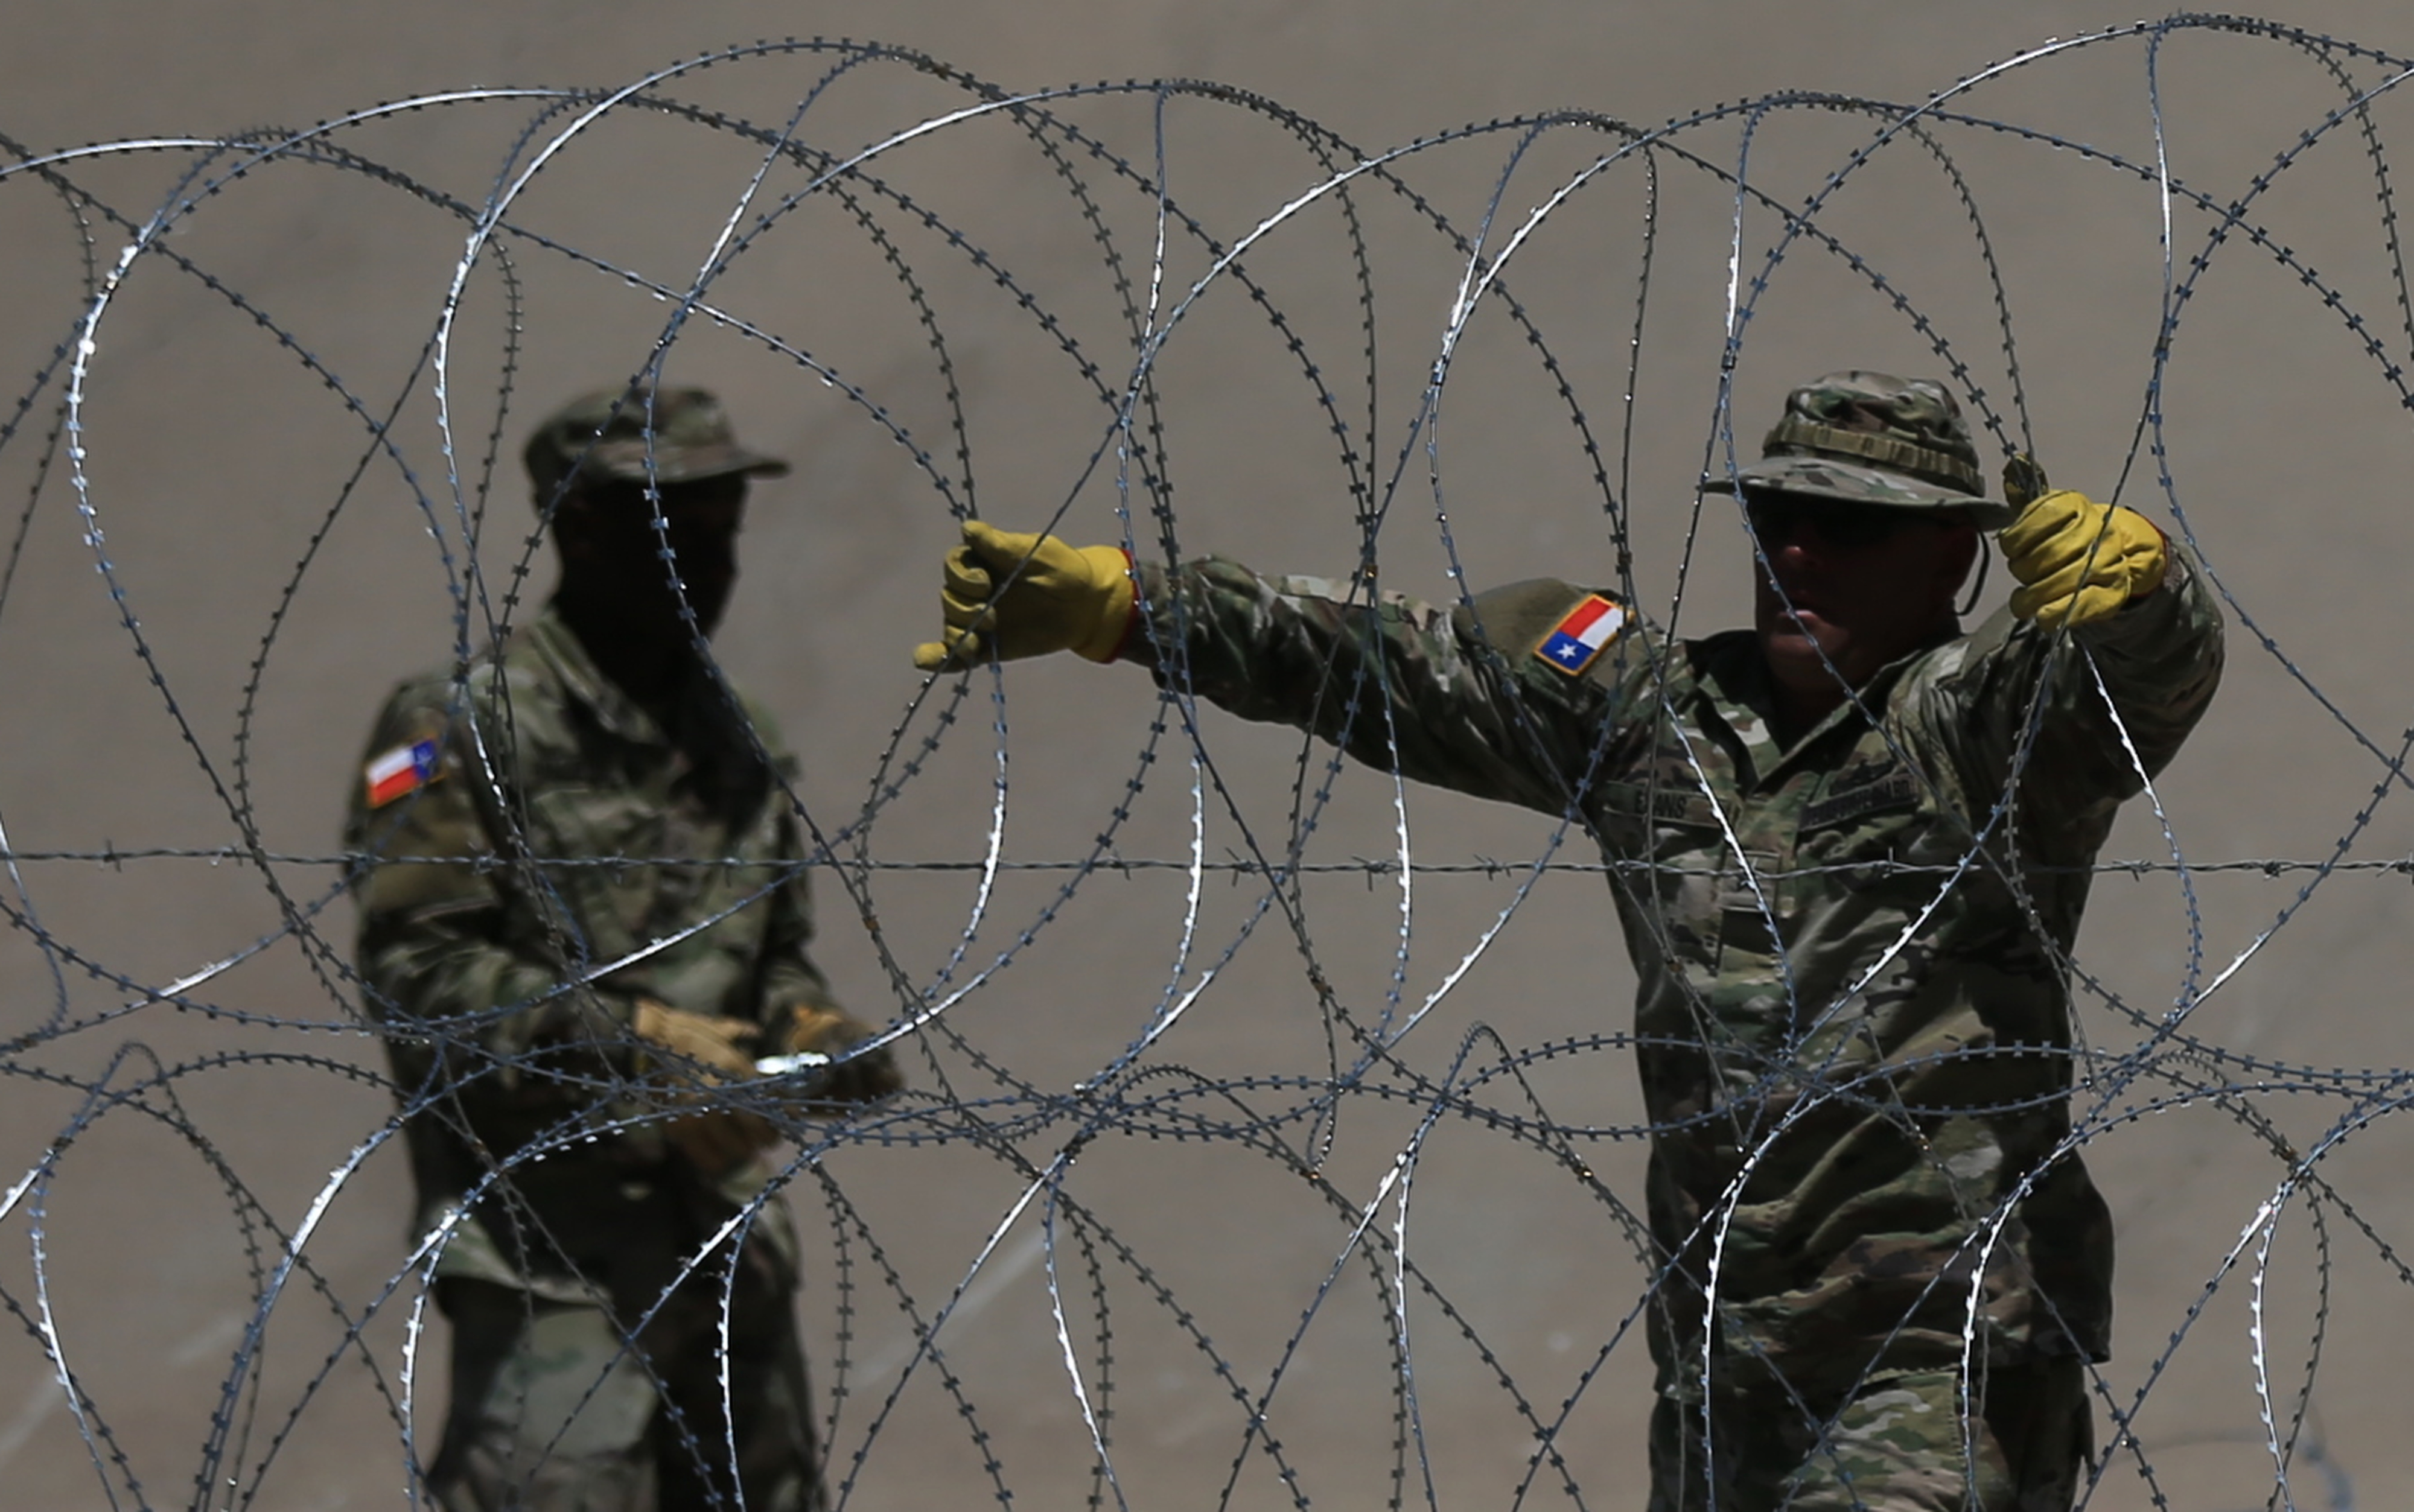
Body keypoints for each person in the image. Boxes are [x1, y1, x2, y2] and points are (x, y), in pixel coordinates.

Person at [909, 371, 2223, 1511]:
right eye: (1778, 518)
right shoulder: (1658, 718)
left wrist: (2143, 592)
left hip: (1939, 1348)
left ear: (1950, 559)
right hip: (1726, 1346)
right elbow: (1388, 663)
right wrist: (1129, 608)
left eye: (1849, 526)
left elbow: (2133, 682)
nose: (1799, 554)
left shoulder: (1979, 729)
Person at [346, 384, 900, 1512]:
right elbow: (420, 969)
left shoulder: (734, 736)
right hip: (553, 1265)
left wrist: (813, 1030)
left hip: (724, 1241)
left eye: (720, 534)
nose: (705, 564)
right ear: (582, 532)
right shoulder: (459, 727)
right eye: (672, 534)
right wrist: (637, 1046)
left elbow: (773, 949)